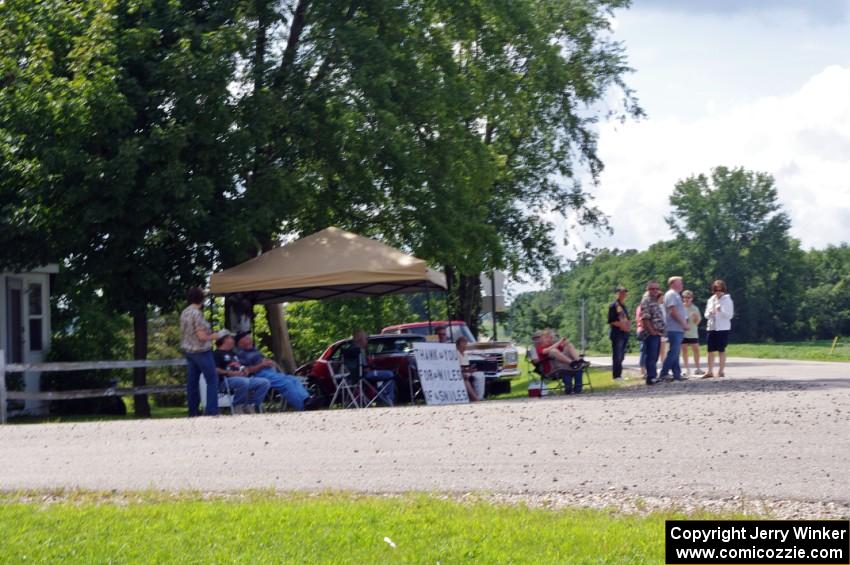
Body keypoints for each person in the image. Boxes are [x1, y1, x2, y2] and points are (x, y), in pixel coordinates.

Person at [235, 331, 321, 411]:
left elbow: (262, 361)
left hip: (269, 372)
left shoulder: (253, 350)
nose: (250, 339)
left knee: (293, 379)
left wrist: (269, 362)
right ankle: (303, 407)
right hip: (258, 374)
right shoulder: (241, 354)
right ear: (240, 342)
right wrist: (262, 365)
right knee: (286, 383)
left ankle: (307, 400)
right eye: (247, 338)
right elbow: (247, 370)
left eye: (249, 337)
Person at [180, 287, 220, 416]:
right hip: (201, 351)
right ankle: (211, 410)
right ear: (201, 298)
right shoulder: (197, 314)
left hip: (188, 350)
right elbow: (202, 337)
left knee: (192, 382)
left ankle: (193, 411)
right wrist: (215, 336)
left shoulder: (185, 312)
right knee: (212, 379)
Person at [213, 330, 271, 414]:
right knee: (244, 382)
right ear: (224, 340)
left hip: (242, 378)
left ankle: (252, 405)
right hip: (225, 381)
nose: (233, 340)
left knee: (264, 382)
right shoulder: (216, 354)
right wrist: (230, 373)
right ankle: (238, 405)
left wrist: (244, 370)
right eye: (230, 338)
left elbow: (239, 365)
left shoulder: (233, 353)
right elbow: (215, 369)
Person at [350, 330, 396, 405]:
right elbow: (364, 367)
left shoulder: (353, 350)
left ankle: (385, 400)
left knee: (390, 381)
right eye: (366, 338)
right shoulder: (359, 351)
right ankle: (387, 400)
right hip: (364, 375)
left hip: (356, 376)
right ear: (360, 340)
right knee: (390, 374)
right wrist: (371, 365)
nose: (367, 341)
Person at [534, 328, 584, 394]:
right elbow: (547, 350)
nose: (549, 339)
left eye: (550, 338)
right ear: (542, 339)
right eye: (547, 337)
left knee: (569, 345)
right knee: (553, 351)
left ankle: (578, 361)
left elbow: (563, 347)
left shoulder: (552, 345)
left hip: (562, 366)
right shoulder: (539, 348)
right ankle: (572, 363)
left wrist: (565, 342)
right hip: (551, 369)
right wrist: (559, 342)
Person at [659, 276, 690, 381]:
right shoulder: (671, 294)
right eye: (679, 282)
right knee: (674, 351)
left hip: (678, 328)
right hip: (674, 327)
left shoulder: (676, 295)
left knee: (676, 352)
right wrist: (683, 323)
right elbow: (673, 311)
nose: (682, 284)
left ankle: (677, 374)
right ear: (672, 284)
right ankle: (664, 373)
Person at [704, 279, 734, 378]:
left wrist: (720, 311)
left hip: (723, 328)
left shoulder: (727, 300)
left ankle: (721, 371)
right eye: (716, 289)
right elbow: (706, 315)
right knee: (710, 350)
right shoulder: (711, 300)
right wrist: (710, 313)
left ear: (723, 290)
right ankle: (709, 371)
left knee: (721, 349)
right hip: (712, 327)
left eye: (720, 289)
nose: (718, 292)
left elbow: (729, 315)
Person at [639, 281, 665, 385]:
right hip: (651, 333)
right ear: (647, 290)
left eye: (656, 289)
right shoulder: (646, 301)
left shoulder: (655, 301)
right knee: (651, 355)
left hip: (658, 332)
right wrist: (652, 331)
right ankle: (651, 377)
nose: (655, 291)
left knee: (655, 356)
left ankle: (653, 375)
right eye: (652, 289)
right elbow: (645, 318)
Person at [607, 285, 631, 380]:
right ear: (616, 294)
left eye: (625, 292)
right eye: (621, 292)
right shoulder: (613, 306)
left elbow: (627, 319)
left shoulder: (623, 306)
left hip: (624, 333)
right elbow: (611, 320)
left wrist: (628, 324)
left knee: (622, 355)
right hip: (617, 333)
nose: (623, 294)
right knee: (617, 355)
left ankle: (619, 374)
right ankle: (616, 375)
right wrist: (622, 325)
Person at [680, 290, 703, 376]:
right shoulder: (680, 307)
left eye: (688, 297)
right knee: (684, 349)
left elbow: (697, 322)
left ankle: (697, 368)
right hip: (683, 332)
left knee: (696, 349)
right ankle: (687, 369)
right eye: (685, 297)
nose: (686, 299)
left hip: (693, 331)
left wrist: (696, 318)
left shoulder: (695, 308)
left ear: (692, 298)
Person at [456, 337, 480, 402]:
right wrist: (468, 370)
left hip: (466, 371)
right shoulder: (456, 354)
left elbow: (466, 366)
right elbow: (458, 367)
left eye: (465, 344)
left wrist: (470, 369)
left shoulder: (466, 355)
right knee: (466, 377)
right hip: (461, 372)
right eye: (462, 344)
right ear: (458, 345)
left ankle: (478, 396)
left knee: (479, 376)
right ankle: (475, 398)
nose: (464, 346)